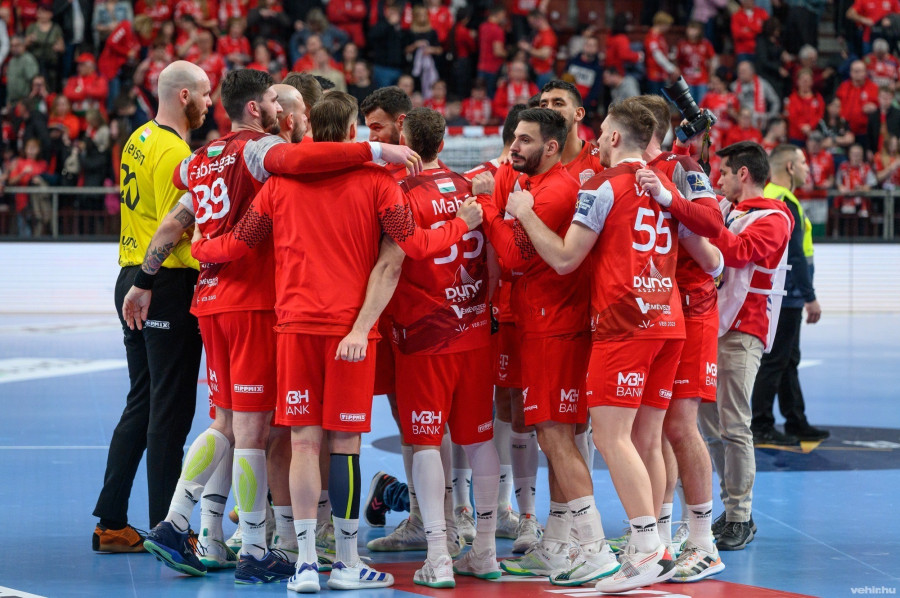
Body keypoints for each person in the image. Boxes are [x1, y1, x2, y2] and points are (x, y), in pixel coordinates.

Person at [190, 91, 482, 593]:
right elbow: (415, 245)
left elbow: (240, 243)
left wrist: (200, 246)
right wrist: (463, 223)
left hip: (293, 329)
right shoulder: (378, 182)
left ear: (309, 131)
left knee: (304, 443)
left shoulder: (279, 185)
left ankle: (304, 562)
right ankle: (346, 562)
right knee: (344, 445)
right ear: (351, 134)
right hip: (351, 333)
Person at [503, 98, 686, 592]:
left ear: (615, 138)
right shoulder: (664, 184)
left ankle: (645, 550)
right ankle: (655, 543)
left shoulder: (603, 185)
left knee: (611, 437)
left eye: (603, 132)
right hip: (668, 318)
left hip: (623, 323)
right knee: (645, 438)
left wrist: (524, 213)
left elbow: (565, 259)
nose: (597, 140)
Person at [475, 108, 619, 585]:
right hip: (554, 324)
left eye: (524, 140)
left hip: (552, 329)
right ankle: (559, 545)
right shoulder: (541, 184)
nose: (513, 147)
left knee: (555, 436)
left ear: (552, 147)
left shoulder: (554, 190)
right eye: (514, 138)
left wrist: (490, 208)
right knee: (559, 437)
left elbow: (514, 257)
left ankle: (593, 548)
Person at [91, 61, 212, 554]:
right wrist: (151, 279)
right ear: (184, 96)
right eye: (205, 93)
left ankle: (111, 523)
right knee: (170, 408)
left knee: (142, 401)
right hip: (162, 281)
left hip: (131, 275)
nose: (210, 102)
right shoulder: (176, 153)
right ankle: (169, 529)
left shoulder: (137, 139)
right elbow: (174, 226)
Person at [389, 107, 503, 587]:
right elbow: (494, 259)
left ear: (405, 140)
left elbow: (398, 256)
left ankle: (438, 554)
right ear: (442, 143)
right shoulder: (470, 187)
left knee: (425, 442)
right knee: (478, 439)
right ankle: (486, 550)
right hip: (474, 330)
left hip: (424, 336)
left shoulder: (399, 191)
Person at [634, 94, 726, 583]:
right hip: (656, 310)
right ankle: (662, 536)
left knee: (680, 426)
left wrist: (670, 198)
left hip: (692, 308)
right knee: (654, 428)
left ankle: (704, 542)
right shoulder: (631, 173)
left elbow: (713, 231)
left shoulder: (683, 167)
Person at [697, 141, 794, 551]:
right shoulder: (728, 210)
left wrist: (701, 216)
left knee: (734, 425)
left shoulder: (775, 217)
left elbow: (737, 253)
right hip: (711, 326)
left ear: (743, 174)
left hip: (743, 329)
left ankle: (740, 515)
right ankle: (731, 508)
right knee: (709, 425)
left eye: (723, 173)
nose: (717, 180)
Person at [751, 144, 826, 446]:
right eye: (803, 163)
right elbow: (795, 254)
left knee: (787, 358)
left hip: (781, 291)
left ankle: (795, 420)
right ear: (790, 167)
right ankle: (761, 424)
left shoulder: (770, 195)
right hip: (786, 293)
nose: (808, 168)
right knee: (776, 359)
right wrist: (810, 296)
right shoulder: (785, 201)